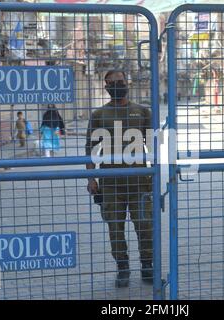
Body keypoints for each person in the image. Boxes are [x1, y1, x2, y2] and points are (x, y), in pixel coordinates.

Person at [86, 70, 153, 288]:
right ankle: (122, 268)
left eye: (119, 81)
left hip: (140, 183)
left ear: (127, 82)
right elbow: (90, 149)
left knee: (145, 227)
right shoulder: (98, 115)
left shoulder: (142, 112)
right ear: (106, 87)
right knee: (115, 229)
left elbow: (153, 146)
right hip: (110, 184)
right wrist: (91, 178)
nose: (116, 85)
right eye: (111, 83)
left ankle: (147, 266)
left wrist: (155, 174)